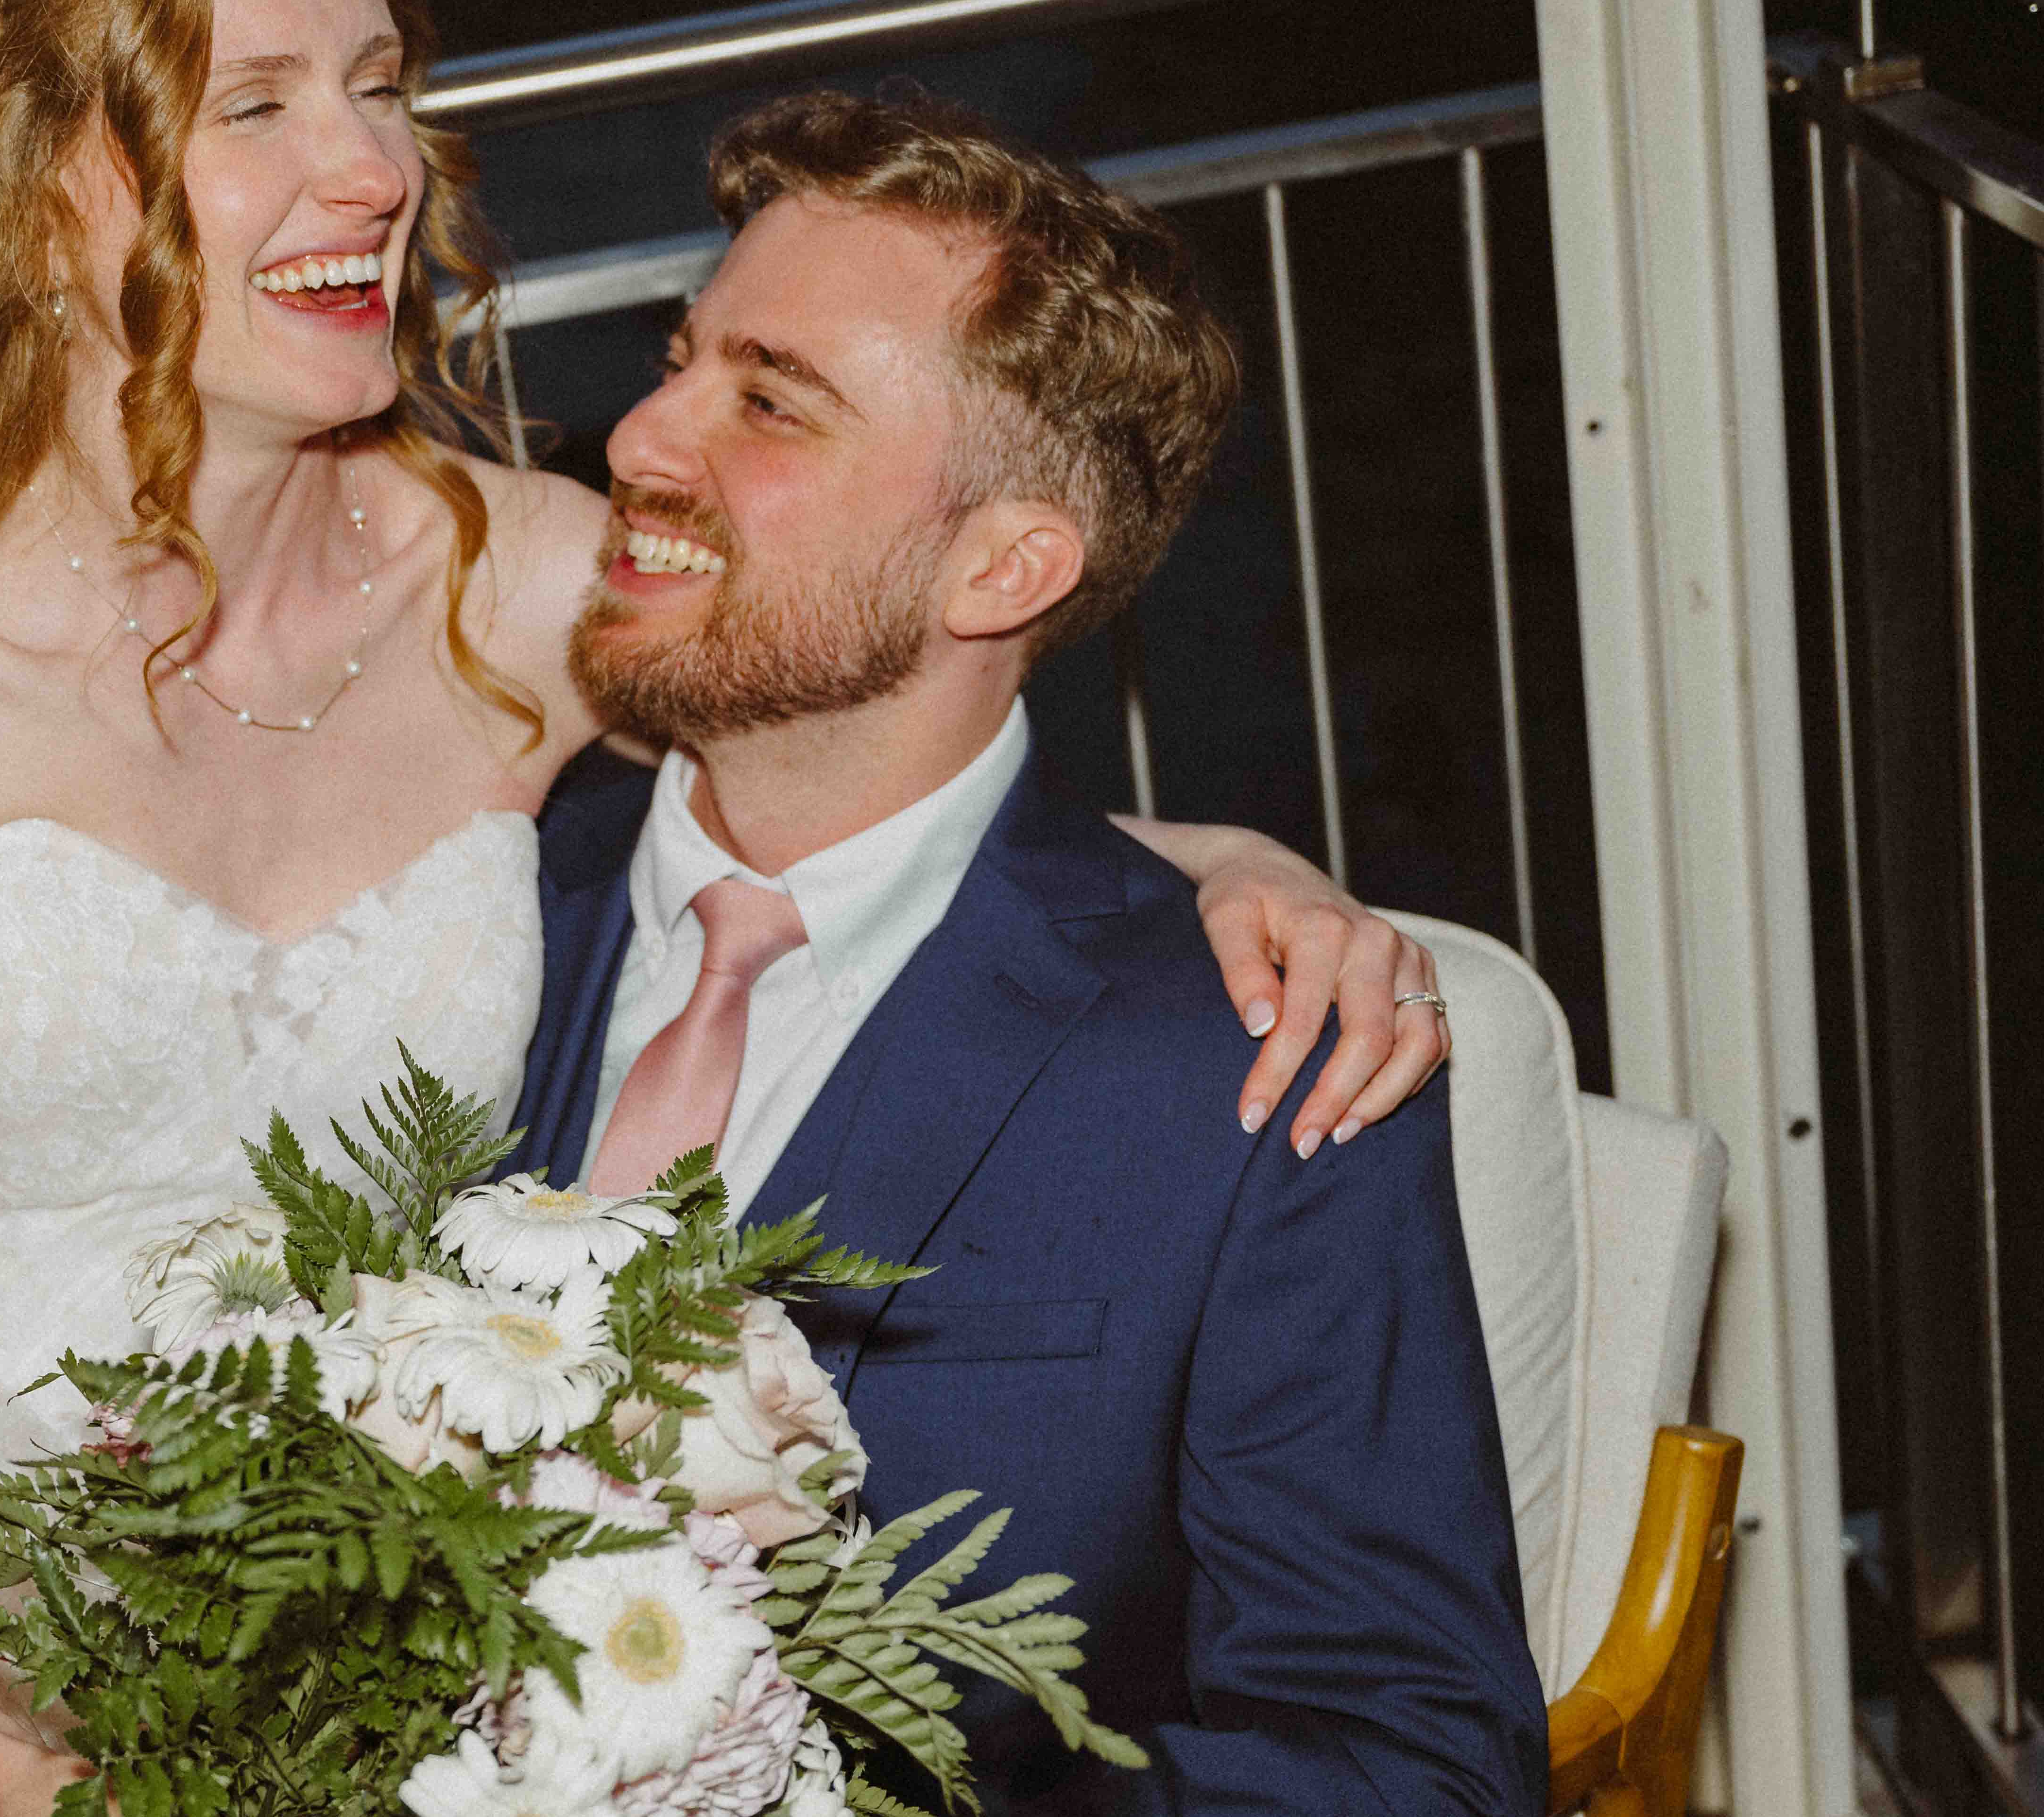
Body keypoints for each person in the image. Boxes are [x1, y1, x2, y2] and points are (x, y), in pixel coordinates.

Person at [0, 0, 1447, 1817]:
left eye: (377, 86)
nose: (373, 165)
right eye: (255, 104)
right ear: (35, 196)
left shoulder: (526, 585)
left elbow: (860, 772)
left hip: (378, 1633)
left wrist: (1231, 870)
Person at [509, 87, 1541, 1813]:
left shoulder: (1249, 1064)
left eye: (768, 401)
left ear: (1001, 568)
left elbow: (1406, 1759)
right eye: (681, 356)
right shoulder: (455, 908)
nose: (637, 436)